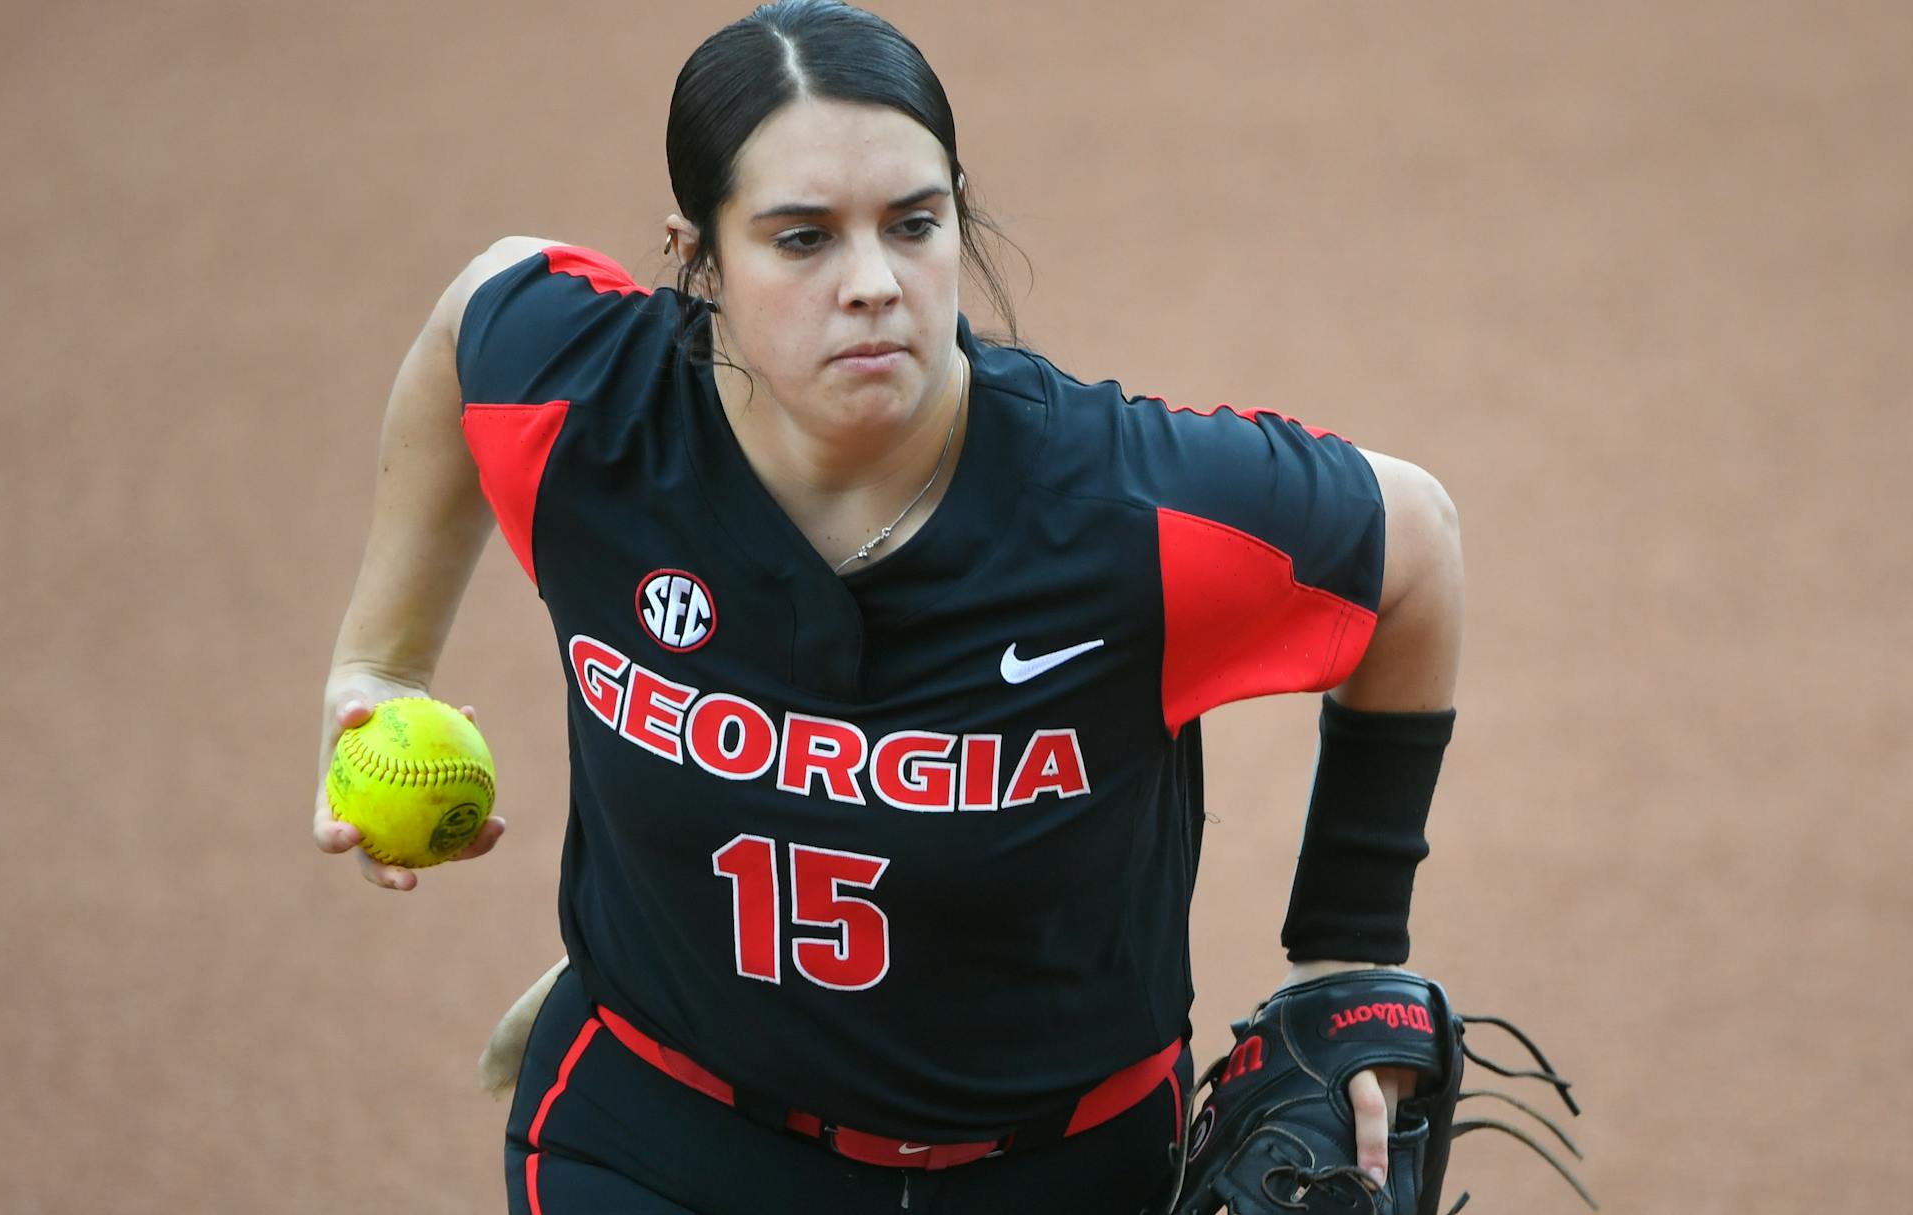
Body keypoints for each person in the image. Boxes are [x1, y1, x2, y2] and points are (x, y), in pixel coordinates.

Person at [311, 3, 1464, 1212]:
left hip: (1062, 1174)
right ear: (696, 254)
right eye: (800, 239)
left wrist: (1348, 959)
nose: (873, 284)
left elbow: (1417, 543)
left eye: (914, 224)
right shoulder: (597, 422)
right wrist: (378, 666)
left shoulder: (1123, 513)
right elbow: (476, 310)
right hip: (657, 1138)